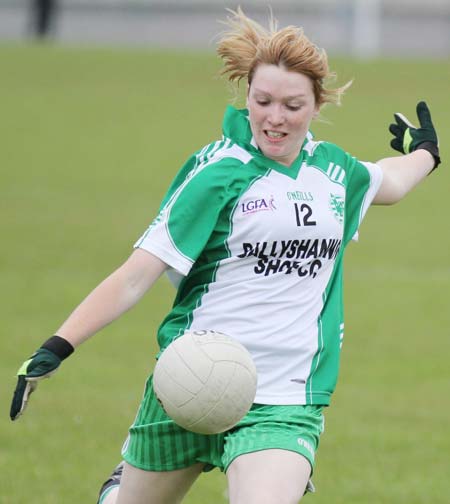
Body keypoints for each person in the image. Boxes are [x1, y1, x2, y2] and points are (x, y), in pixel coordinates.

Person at [10, 8, 441, 504]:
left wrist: (426, 152)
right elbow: (136, 276)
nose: (275, 118)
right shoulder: (217, 174)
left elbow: (392, 181)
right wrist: (57, 347)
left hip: (285, 396)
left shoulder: (335, 174)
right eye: (263, 101)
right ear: (248, 98)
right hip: (191, 378)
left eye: (292, 105)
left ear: (317, 106)